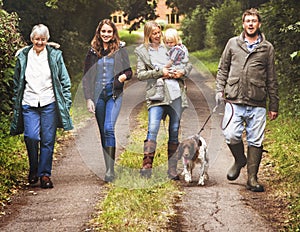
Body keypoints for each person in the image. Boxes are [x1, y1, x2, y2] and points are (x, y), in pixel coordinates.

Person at [215, 8, 279, 192]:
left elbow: (271, 78)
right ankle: (240, 159)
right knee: (230, 134)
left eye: (254, 21)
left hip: (257, 100)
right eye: (247, 21)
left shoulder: (267, 48)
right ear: (243, 24)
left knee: (255, 140)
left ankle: (252, 178)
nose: (250, 24)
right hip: (234, 98)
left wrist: (274, 104)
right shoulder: (233, 44)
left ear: (259, 24)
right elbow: (223, 69)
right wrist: (219, 90)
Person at [10, 24, 73, 189]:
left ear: (47, 40)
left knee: (47, 140)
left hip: (49, 102)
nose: (40, 42)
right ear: (31, 39)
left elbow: (65, 81)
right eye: (37, 39)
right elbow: (17, 81)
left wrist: (65, 103)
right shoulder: (23, 56)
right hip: (29, 103)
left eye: (43, 39)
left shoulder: (55, 56)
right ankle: (34, 168)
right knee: (31, 136)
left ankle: (45, 175)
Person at [134, 21, 192, 179]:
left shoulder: (170, 46)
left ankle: (172, 169)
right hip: (156, 96)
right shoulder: (143, 52)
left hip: (175, 95)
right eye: (154, 33)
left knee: (174, 130)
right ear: (148, 35)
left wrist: (182, 72)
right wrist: (160, 72)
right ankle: (147, 167)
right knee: (152, 128)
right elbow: (140, 75)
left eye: (159, 32)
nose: (158, 36)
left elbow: (187, 65)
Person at [82, 19, 132, 183]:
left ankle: (110, 171)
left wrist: (124, 77)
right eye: (103, 31)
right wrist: (89, 98)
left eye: (109, 32)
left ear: (113, 33)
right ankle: (108, 165)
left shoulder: (120, 49)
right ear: (99, 32)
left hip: (114, 94)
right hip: (98, 96)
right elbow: (87, 77)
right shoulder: (92, 51)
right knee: (104, 131)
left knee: (109, 128)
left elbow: (129, 71)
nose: (106, 34)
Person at [149, 28, 189, 101]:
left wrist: (163, 68)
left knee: (160, 79)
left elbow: (171, 62)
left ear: (176, 40)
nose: (169, 44)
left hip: (175, 68)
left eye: (171, 42)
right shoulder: (181, 47)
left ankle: (160, 94)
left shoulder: (176, 49)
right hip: (177, 67)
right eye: (167, 42)